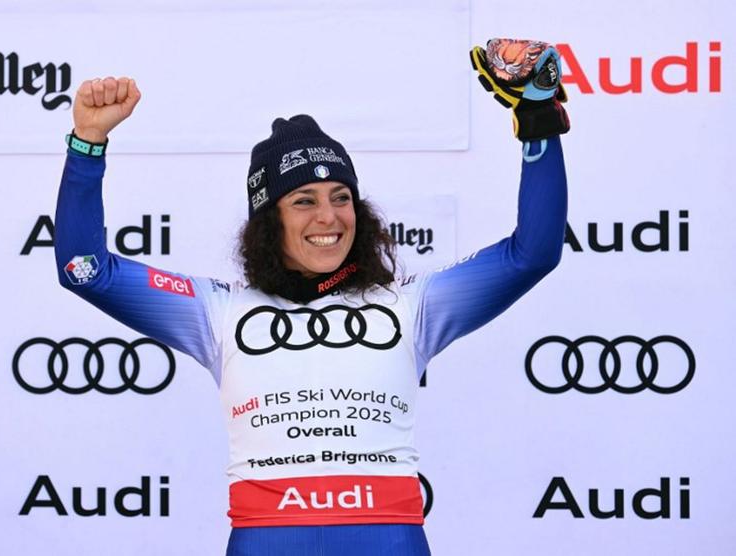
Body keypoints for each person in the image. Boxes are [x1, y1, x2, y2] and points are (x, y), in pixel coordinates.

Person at [54, 38, 570, 556]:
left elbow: (534, 254)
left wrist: (538, 116)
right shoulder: (218, 311)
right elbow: (84, 269)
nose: (328, 217)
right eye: (303, 201)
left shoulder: (410, 306)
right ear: (268, 222)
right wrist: (87, 144)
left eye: (341, 198)